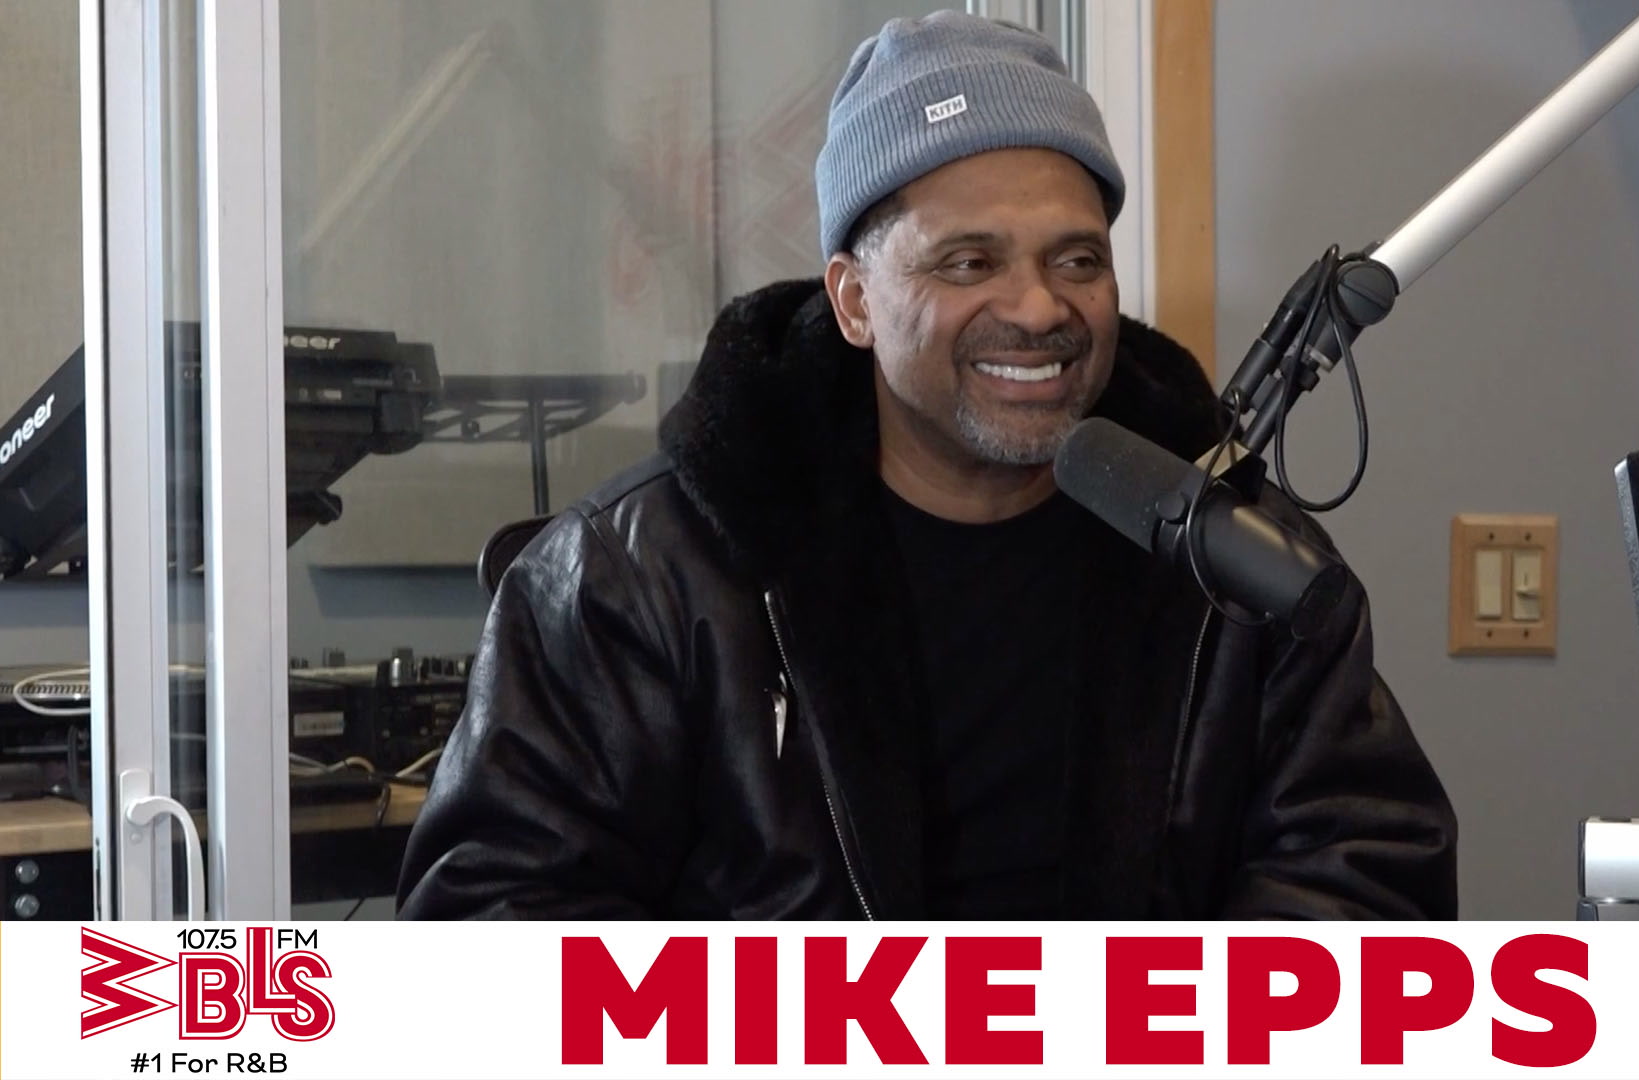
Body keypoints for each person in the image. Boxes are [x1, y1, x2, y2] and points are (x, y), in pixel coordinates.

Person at [396, 10, 1456, 920]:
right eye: (969, 261)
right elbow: (490, 921)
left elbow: (1369, 878)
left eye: (1076, 259)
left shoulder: (1237, 564)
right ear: (854, 300)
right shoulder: (639, 572)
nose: (1038, 308)